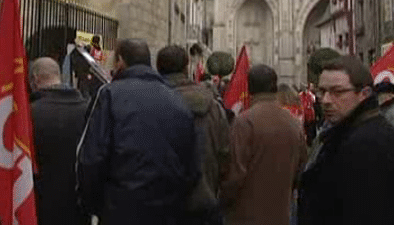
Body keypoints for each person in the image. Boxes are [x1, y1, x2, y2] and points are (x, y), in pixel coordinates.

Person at [76, 38, 200, 225]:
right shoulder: (177, 101)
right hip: (166, 212)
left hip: (120, 211)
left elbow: (91, 159)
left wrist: (95, 207)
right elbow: (192, 166)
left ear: (120, 61)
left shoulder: (109, 95)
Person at [298, 56, 394, 225]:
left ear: (364, 94)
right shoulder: (342, 134)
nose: (326, 100)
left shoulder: (366, 144)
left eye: (338, 92)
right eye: (322, 91)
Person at [220, 65, 307, 225]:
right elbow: (301, 169)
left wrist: (222, 200)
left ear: (250, 87)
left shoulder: (244, 122)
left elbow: (234, 174)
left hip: (246, 215)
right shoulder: (293, 123)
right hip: (281, 213)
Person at [156, 45, 230, 225]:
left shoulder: (149, 103)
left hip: (160, 206)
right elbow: (225, 156)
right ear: (186, 68)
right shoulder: (213, 107)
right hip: (204, 204)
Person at [29, 57, 90, 225]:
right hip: (77, 207)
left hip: (38, 206)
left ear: (35, 80)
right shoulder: (86, 111)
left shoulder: (29, 114)